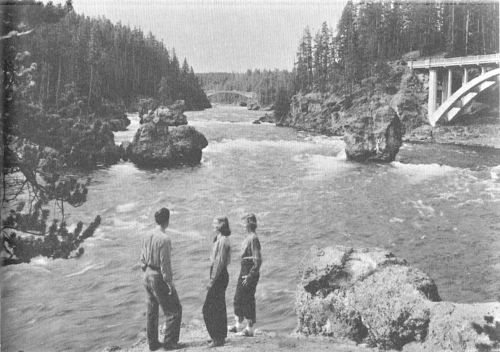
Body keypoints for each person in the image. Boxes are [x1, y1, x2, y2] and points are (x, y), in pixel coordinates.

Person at [140, 208, 182, 351]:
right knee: (174, 310)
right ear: (167, 221)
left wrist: (146, 270)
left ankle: (152, 343)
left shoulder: (147, 234)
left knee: (152, 309)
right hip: (157, 276)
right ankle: (170, 343)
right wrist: (169, 283)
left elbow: (142, 259)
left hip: (146, 273)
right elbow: (165, 265)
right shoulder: (164, 239)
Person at [228, 213, 262, 337]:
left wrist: (250, 275)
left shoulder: (253, 238)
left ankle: (249, 329)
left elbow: (258, 260)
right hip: (245, 270)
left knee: (247, 299)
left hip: (249, 271)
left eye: (244, 224)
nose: (243, 226)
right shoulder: (249, 237)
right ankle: (238, 325)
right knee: (238, 298)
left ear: (249, 225)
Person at [203, 217, 231, 347]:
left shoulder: (223, 240)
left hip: (219, 276)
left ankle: (217, 338)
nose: (213, 225)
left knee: (208, 308)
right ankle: (219, 336)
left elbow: (219, 263)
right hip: (218, 274)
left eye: (216, 223)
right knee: (218, 306)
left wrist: (212, 280)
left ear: (222, 224)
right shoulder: (218, 239)